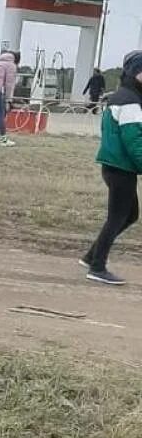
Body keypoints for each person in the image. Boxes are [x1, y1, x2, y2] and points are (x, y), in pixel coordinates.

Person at [80, 50, 142, 285]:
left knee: (130, 215)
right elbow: (135, 142)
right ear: (137, 73)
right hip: (121, 168)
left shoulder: (123, 96)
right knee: (117, 217)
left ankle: (90, 257)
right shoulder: (130, 101)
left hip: (115, 166)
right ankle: (97, 267)